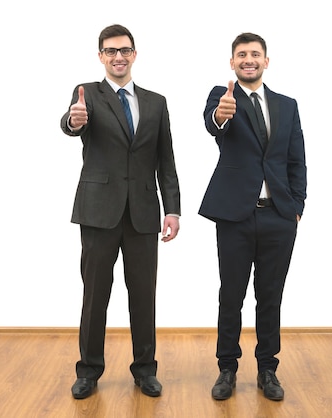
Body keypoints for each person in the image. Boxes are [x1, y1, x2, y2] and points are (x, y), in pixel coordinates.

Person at [59, 24, 181, 399]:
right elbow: (71, 123)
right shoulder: (88, 96)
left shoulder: (156, 102)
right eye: (110, 51)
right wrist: (72, 121)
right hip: (99, 212)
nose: (118, 56)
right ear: (101, 56)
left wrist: (172, 209)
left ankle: (145, 370)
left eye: (124, 50)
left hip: (144, 212)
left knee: (144, 295)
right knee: (96, 294)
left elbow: (165, 159)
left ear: (134, 54)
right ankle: (89, 371)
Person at [199, 32, 307, 401]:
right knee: (231, 295)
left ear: (266, 61)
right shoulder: (222, 96)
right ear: (232, 62)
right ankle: (227, 369)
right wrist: (220, 115)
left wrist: (297, 207)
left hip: (278, 216)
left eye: (255, 54)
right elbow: (215, 123)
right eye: (241, 54)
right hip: (235, 217)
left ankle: (267, 370)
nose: (249, 59)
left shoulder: (287, 105)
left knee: (270, 296)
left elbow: (296, 160)